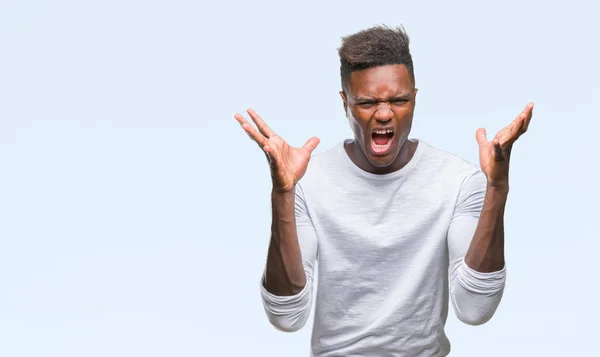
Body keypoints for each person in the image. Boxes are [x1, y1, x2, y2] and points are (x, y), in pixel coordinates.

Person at [234, 24, 533, 357]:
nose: (385, 113)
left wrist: (497, 188)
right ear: (345, 103)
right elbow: (287, 316)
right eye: (367, 102)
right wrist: (283, 194)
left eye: (399, 100)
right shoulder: (308, 183)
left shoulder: (458, 181)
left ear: (415, 99)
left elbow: (475, 309)